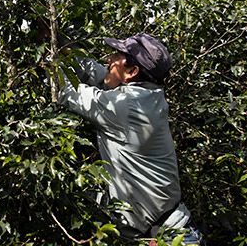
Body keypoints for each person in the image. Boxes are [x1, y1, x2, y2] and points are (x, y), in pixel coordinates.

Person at [57, 33, 204, 245]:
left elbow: (66, 91)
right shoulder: (146, 95)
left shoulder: (126, 106)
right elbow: (95, 72)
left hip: (170, 238)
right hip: (165, 230)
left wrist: (49, 61)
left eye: (115, 56)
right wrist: (59, 40)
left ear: (132, 72)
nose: (108, 60)